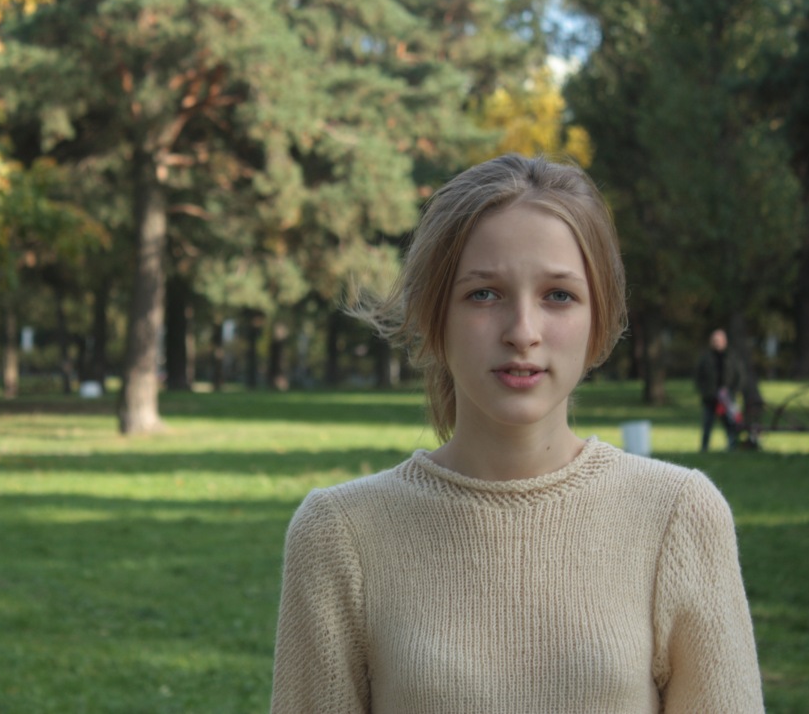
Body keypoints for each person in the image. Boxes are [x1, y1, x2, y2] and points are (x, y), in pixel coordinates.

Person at [270, 155, 763, 713]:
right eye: (484, 293)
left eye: (559, 295)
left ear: (598, 317)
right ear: (435, 314)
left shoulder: (679, 516)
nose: (523, 332)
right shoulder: (340, 534)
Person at [695, 328, 746, 452]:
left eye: (719, 340)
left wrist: (733, 392)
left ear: (725, 341)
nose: (717, 343)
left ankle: (732, 446)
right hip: (710, 398)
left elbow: (740, 376)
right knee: (707, 424)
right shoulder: (706, 358)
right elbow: (698, 377)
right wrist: (705, 392)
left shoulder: (732, 357)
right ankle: (704, 447)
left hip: (727, 397)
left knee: (730, 423)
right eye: (714, 340)